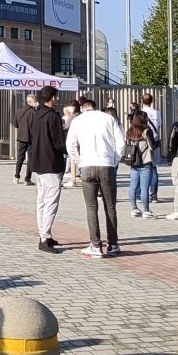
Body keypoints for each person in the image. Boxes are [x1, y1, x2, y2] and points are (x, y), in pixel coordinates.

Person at [65, 95, 123, 257]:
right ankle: (112, 244)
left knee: (91, 207)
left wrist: (79, 161)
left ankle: (95, 245)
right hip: (106, 164)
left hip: (88, 165)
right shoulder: (108, 118)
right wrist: (114, 160)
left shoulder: (78, 120)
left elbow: (70, 145)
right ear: (96, 107)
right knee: (110, 206)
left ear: (83, 108)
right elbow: (121, 143)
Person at [27, 86, 67, 253]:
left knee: (42, 200)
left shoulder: (35, 115)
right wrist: (69, 151)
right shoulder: (53, 116)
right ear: (52, 98)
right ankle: (44, 237)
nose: (57, 100)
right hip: (51, 161)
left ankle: (45, 234)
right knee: (51, 201)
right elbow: (58, 142)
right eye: (56, 97)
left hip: (38, 161)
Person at [123, 113, 159, 219]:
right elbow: (152, 147)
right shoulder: (147, 131)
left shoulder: (130, 131)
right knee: (144, 187)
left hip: (133, 162)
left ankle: (134, 208)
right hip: (145, 161)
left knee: (133, 187)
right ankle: (146, 210)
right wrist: (158, 143)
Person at [11, 92, 38, 185]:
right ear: (30, 101)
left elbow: (15, 124)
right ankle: (27, 179)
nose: (36, 102)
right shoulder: (34, 112)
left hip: (21, 137)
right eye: (35, 101)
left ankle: (16, 176)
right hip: (31, 138)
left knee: (20, 158)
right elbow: (35, 126)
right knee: (30, 159)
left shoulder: (19, 111)